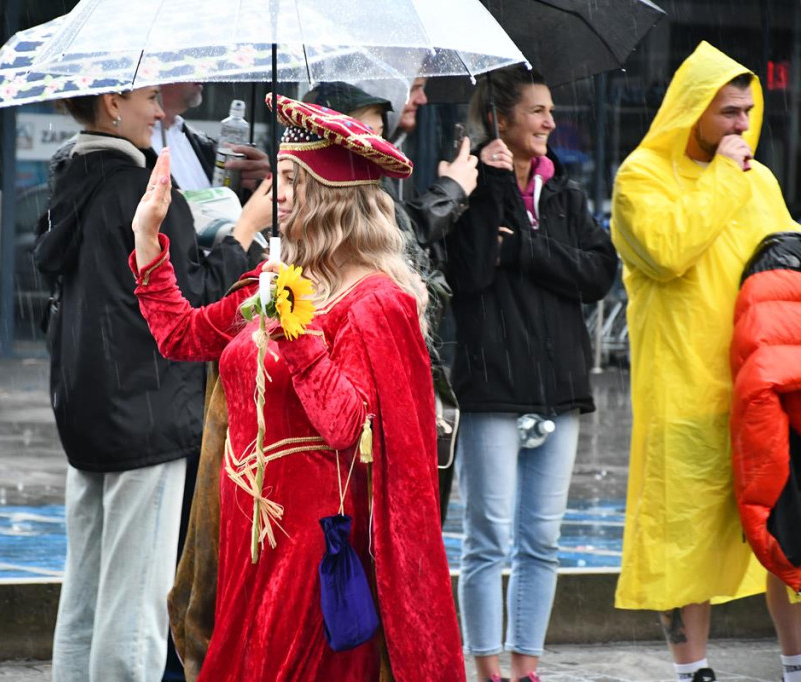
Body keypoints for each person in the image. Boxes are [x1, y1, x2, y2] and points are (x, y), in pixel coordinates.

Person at [130, 94, 464, 680]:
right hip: (244, 537)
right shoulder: (275, 279)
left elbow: (345, 426)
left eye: (291, 177)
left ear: (330, 193)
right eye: (278, 175)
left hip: (314, 549)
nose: (275, 193)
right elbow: (182, 337)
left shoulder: (377, 302)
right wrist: (147, 241)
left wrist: (296, 328)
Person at [33, 86, 268, 682]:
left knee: (84, 597)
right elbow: (194, 305)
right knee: (136, 603)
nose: (161, 110)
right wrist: (244, 230)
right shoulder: (141, 192)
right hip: (148, 409)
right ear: (112, 103)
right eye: (148, 98)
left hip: (86, 410)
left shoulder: (71, 181)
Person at [611, 41, 801, 682]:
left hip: (761, 385)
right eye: (728, 113)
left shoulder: (760, 180)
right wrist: (723, 176)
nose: (742, 125)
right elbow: (668, 251)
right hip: (684, 395)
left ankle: (795, 665)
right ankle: (690, 674)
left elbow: (785, 262)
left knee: (785, 529)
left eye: (748, 111)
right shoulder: (641, 177)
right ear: (693, 111)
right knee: (682, 541)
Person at [446, 64, 617, 682]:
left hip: (560, 390)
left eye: (550, 111)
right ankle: (486, 667)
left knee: (542, 542)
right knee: (488, 541)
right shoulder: (467, 187)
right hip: (492, 389)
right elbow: (471, 276)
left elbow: (599, 274)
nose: (550, 122)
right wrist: (489, 185)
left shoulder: (565, 195)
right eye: (538, 111)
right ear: (501, 117)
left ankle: (526, 668)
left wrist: (525, 248)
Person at [305, 79, 478, 520]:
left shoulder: (378, 204)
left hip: (402, 401)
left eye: (380, 132)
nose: (378, 144)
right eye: (369, 133)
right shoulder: (332, 221)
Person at [151, 82, 270, 191]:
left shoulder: (201, 142)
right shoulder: (135, 148)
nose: (200, 73)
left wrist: (258, 184)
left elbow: (229, 202)